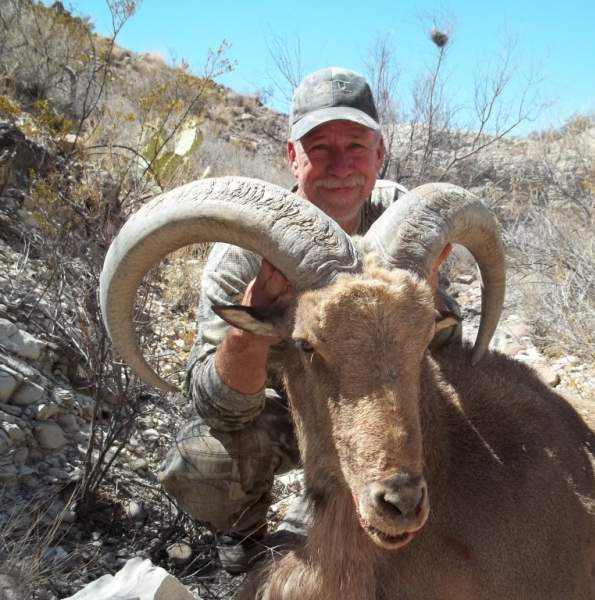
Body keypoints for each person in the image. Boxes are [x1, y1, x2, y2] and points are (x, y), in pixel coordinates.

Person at [157, 67, 462, 574]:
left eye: (356, 146)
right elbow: (219, 405)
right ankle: (245, 533)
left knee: (449, 414)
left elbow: (451, 354)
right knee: (202, 463)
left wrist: (426, 300)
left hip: (379, 401)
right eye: (319, 146)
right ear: (292, 156)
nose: (340, 165)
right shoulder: (245, 246)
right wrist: (253, 318)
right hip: (279, 409)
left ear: (380, 154)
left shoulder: (402, 222)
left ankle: (398, 521)